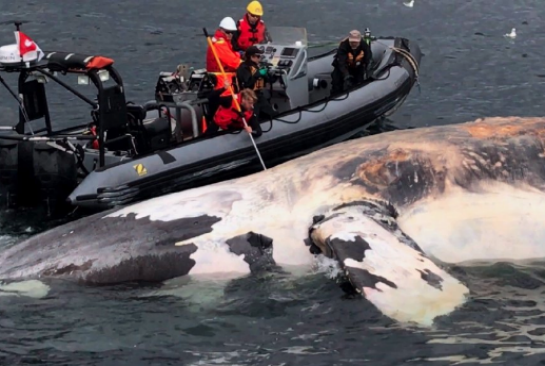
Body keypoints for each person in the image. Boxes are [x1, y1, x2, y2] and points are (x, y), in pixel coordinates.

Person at [206, 16, 243, 98]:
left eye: (232, 33)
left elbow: (233, 55)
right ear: (221, 30)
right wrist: (247, 65)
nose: (230, 35)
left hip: (227, 82)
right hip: (222, 85)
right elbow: (233, 61)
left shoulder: (224, 43)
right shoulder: (220, 44)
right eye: (228, 32)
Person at [235, 45, 274, 120]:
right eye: (258, 56)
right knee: (253, 116)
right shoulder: (243, 67)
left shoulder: (256, 67)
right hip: (249, 96)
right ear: (252, 57)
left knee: (270, 112)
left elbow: (266, 81)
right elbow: (247, 83)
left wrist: (267, 74)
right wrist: (259, 73)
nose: (259, 58)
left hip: (258, 95)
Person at [330, 29, 372, 95]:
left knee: (359, 81)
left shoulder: (364, 46)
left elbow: (368, 57)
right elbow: (341, 62)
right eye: (352, 42)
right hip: (343, 67)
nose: (354, 44)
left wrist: (367, 68)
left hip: (357, 67)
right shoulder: (344, 46)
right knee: (336, 81)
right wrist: (346, 75)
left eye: (356, 42)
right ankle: (336, 95)